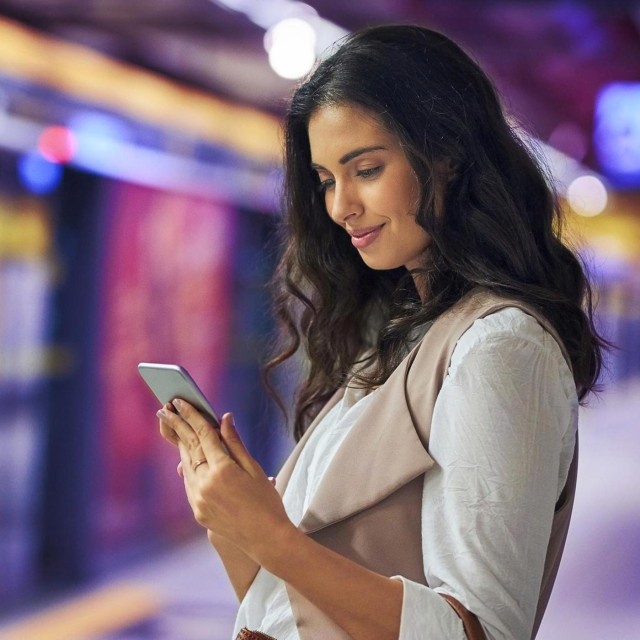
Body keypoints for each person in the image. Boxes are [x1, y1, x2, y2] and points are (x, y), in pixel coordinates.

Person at [156, 24, 606, 640]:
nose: (339, 207)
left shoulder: (499, 348)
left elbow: (482, 633)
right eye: (324, 181)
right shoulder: (393, 342)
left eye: (365, 169)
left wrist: (272, 535)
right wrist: (231, 516)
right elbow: (288, 609)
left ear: (446, 156)